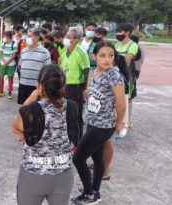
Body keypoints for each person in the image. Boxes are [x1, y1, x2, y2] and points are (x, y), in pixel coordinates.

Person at [13, 65, 79, 205]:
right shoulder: (73, 106)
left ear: (40, 87)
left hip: (33, 176)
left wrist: (30, 99)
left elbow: (16, 125)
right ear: (63, 87)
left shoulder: (30, 111)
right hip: (63, 176)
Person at [71, 42, 126, 205]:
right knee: (97, 158)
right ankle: (95, 190)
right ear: (94, 57)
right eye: (102, 55)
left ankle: (89, 195)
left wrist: (119, 123)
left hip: (103, 126)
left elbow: (121, 104)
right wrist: (89, 95)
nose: (107, 59)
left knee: (78, 158)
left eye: (111, 55)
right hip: (93, 121)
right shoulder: (95, 73)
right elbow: (99, 95)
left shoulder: (114, 76)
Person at [61, 27, 90, 138]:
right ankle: (68, 137)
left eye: (69, 37)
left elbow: (87, 72)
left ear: (76, 39)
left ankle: (78, 141)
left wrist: (86, 89)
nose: (66, 39)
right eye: (66, 36)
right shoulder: (64, 52)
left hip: (76, 88)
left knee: (76, 114)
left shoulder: (81, 53)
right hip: (65, 87)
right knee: (66, 113)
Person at [115, 23, 139, 129]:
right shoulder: (117, 45)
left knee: (127, 99)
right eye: (117, 31)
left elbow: (126, 61)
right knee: (116, 98)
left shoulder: (133, 46)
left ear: (127, 33)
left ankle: (127, 122)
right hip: (115, 75)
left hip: (127, 77)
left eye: (120, 32)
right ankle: (118, 119)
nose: (118, 34)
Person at [17, 30, 51, 105]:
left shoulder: (45, 52)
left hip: (36, 86)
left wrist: (42, 85)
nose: (26, 38)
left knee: (36, 109)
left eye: (29, 36)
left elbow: (48, 70)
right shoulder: (23, 51)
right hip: (23, 84)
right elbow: (19, 66)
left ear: (36, 38)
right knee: (24, 108)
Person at [0, 31, 17, 99]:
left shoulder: (14, 44)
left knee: (10, 78)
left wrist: (7, 63)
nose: (4, 38)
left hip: (11, 64)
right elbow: (0, 53)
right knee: (1, 77)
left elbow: (14, 55)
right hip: (3, 64)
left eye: (5, 36)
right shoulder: (3, 44)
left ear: (8, 37)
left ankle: (9, 92)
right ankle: (0, 91)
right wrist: (4, 62)